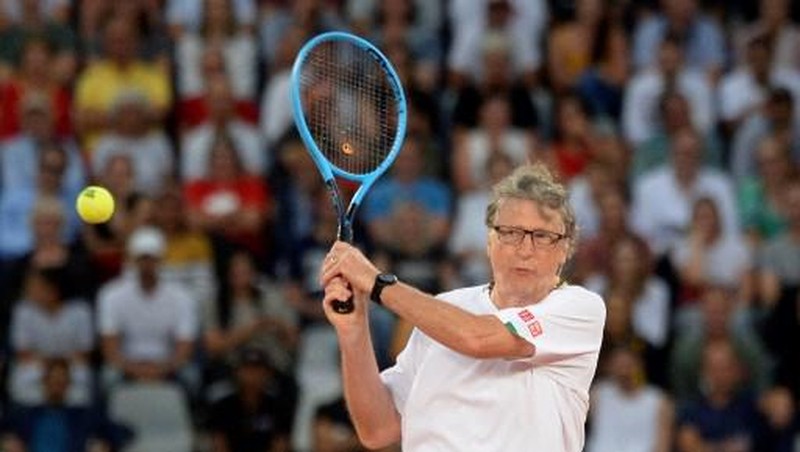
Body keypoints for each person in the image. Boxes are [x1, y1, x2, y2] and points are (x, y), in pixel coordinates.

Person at [319, 164, 606, 451]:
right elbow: (378, 430)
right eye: (511, 233)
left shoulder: (579, 308)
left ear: (565, 248)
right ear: (489, 241)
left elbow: (476, 338)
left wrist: (376, 283)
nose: (525, 249)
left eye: (542, 236)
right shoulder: (444, 310)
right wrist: (354, 331)